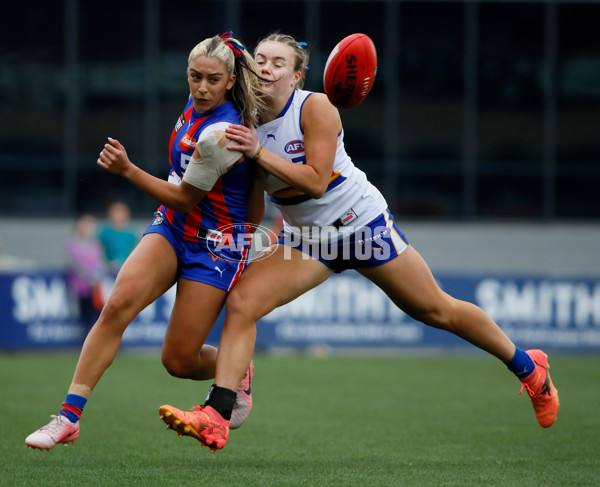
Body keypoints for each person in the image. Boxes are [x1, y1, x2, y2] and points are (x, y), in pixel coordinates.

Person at [159, 32, 560, 452]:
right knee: (242, 302)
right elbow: (258, 190)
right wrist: (250, 235)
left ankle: (530, 367)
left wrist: (258, 153)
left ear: (296, 77)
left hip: (360, 226)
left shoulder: (316, 107)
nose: (266, 67)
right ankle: (218, 414)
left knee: (436, 309)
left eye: (279, 63)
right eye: (260, 58)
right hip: (309, 239)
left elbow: (315, 182)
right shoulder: (245, 121)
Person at [25, 32, 266, 451]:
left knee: (178, 360)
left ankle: (237, 369)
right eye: (195, 77)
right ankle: (68, 417)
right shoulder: (194, 104)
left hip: (214, 246)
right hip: (173, 228)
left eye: (212, 79)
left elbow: (185, 195)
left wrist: (128, 170)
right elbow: (179, 203)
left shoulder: (221, 132)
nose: (202, 87)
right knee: (116, 305)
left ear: (230, 81)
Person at [64, 214, 106, 332]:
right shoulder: (72, 245)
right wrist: (89, 278)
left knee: (97, 317)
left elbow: (100, 263)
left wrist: (97, 277)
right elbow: (74, 266)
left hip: (95, 288)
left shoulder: (95, 245)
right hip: (80, 287)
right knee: (85, 317)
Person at [97, 201, 138, 273]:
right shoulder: (105, 232)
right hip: (108, 268)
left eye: (121, 212)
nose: (118, 215)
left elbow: (135, 251)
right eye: (116, 212)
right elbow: (98, 249)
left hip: (127, 267)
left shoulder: (131, 233)